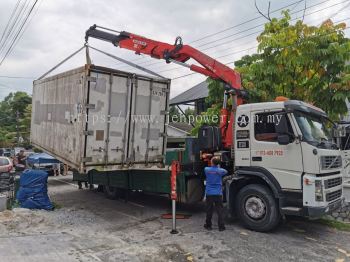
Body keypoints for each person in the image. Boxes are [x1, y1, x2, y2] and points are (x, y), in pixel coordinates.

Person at [204, 157, 227, 231]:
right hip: (218, 193)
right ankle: (221, 227)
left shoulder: (207, 169)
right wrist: (218, 168)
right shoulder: (221, 171)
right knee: (219, 210)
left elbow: (207, 168)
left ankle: (208, 225)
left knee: (209, 210)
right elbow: (225, 171)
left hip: (209, 193)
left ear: (212, 162)